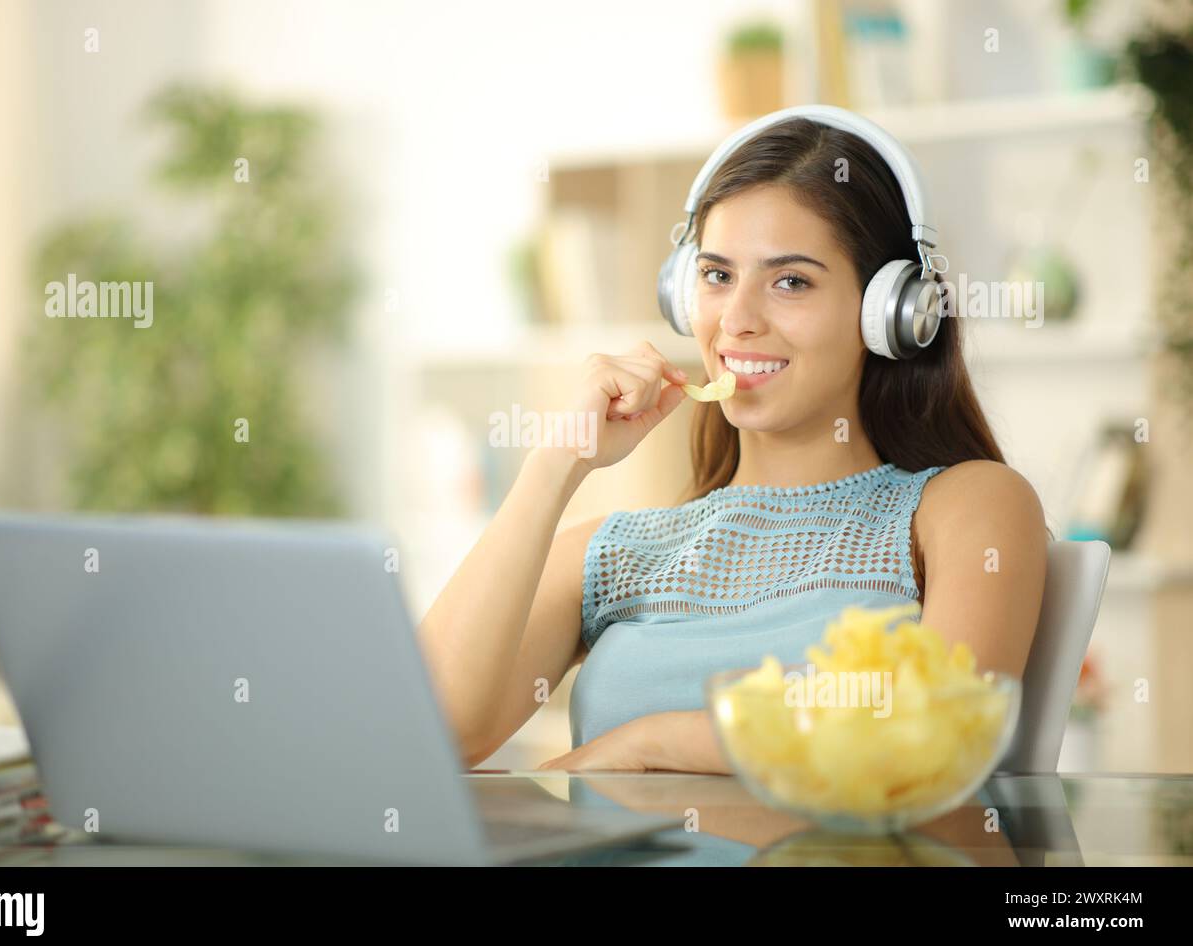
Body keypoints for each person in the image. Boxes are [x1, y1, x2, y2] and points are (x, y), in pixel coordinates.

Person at [417, 115, 1048, 773]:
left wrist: (648, 746)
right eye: (718, 276)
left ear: (888, 311)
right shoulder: (617, 552)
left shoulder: (967, 507)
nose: (738, 321)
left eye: (791, 281)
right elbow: (432, 735)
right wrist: (554, 464)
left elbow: (938, 735)